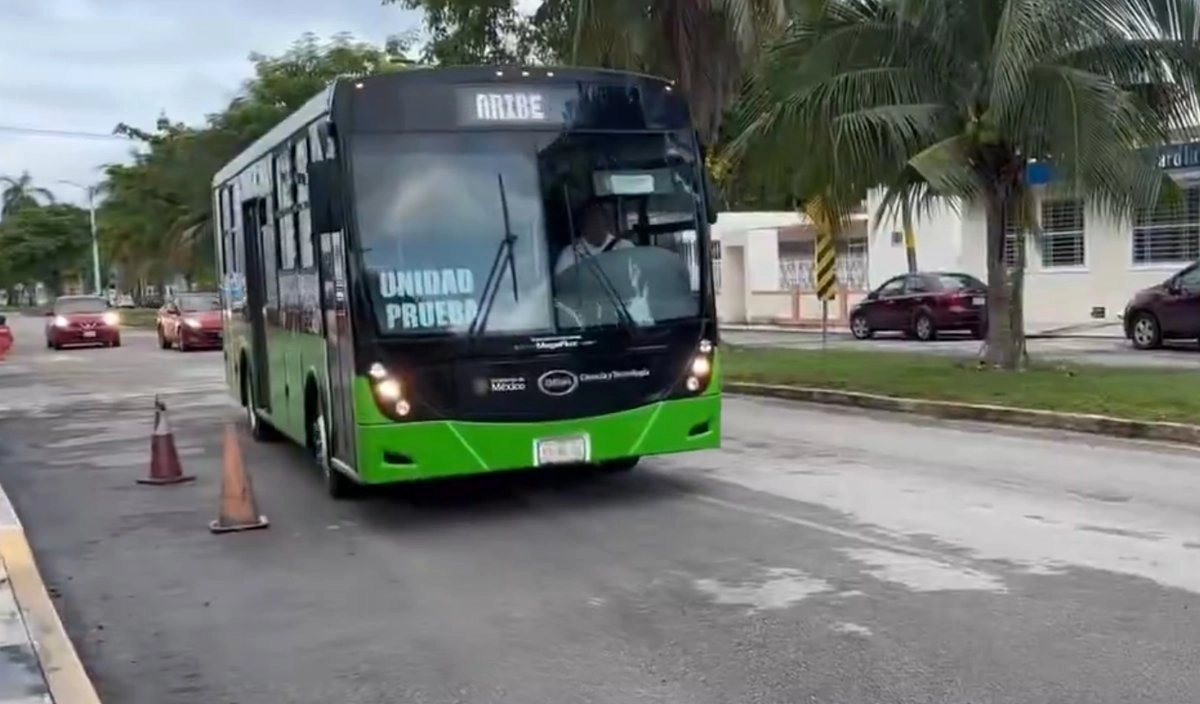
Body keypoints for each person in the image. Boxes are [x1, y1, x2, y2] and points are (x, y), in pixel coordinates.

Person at [553, 202, 633, 276]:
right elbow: (561, 283)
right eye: (592, 225)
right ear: (583, 228)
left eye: (601, 225)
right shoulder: (571, 253)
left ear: (608, 226)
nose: (597, 229)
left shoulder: (624, 247)